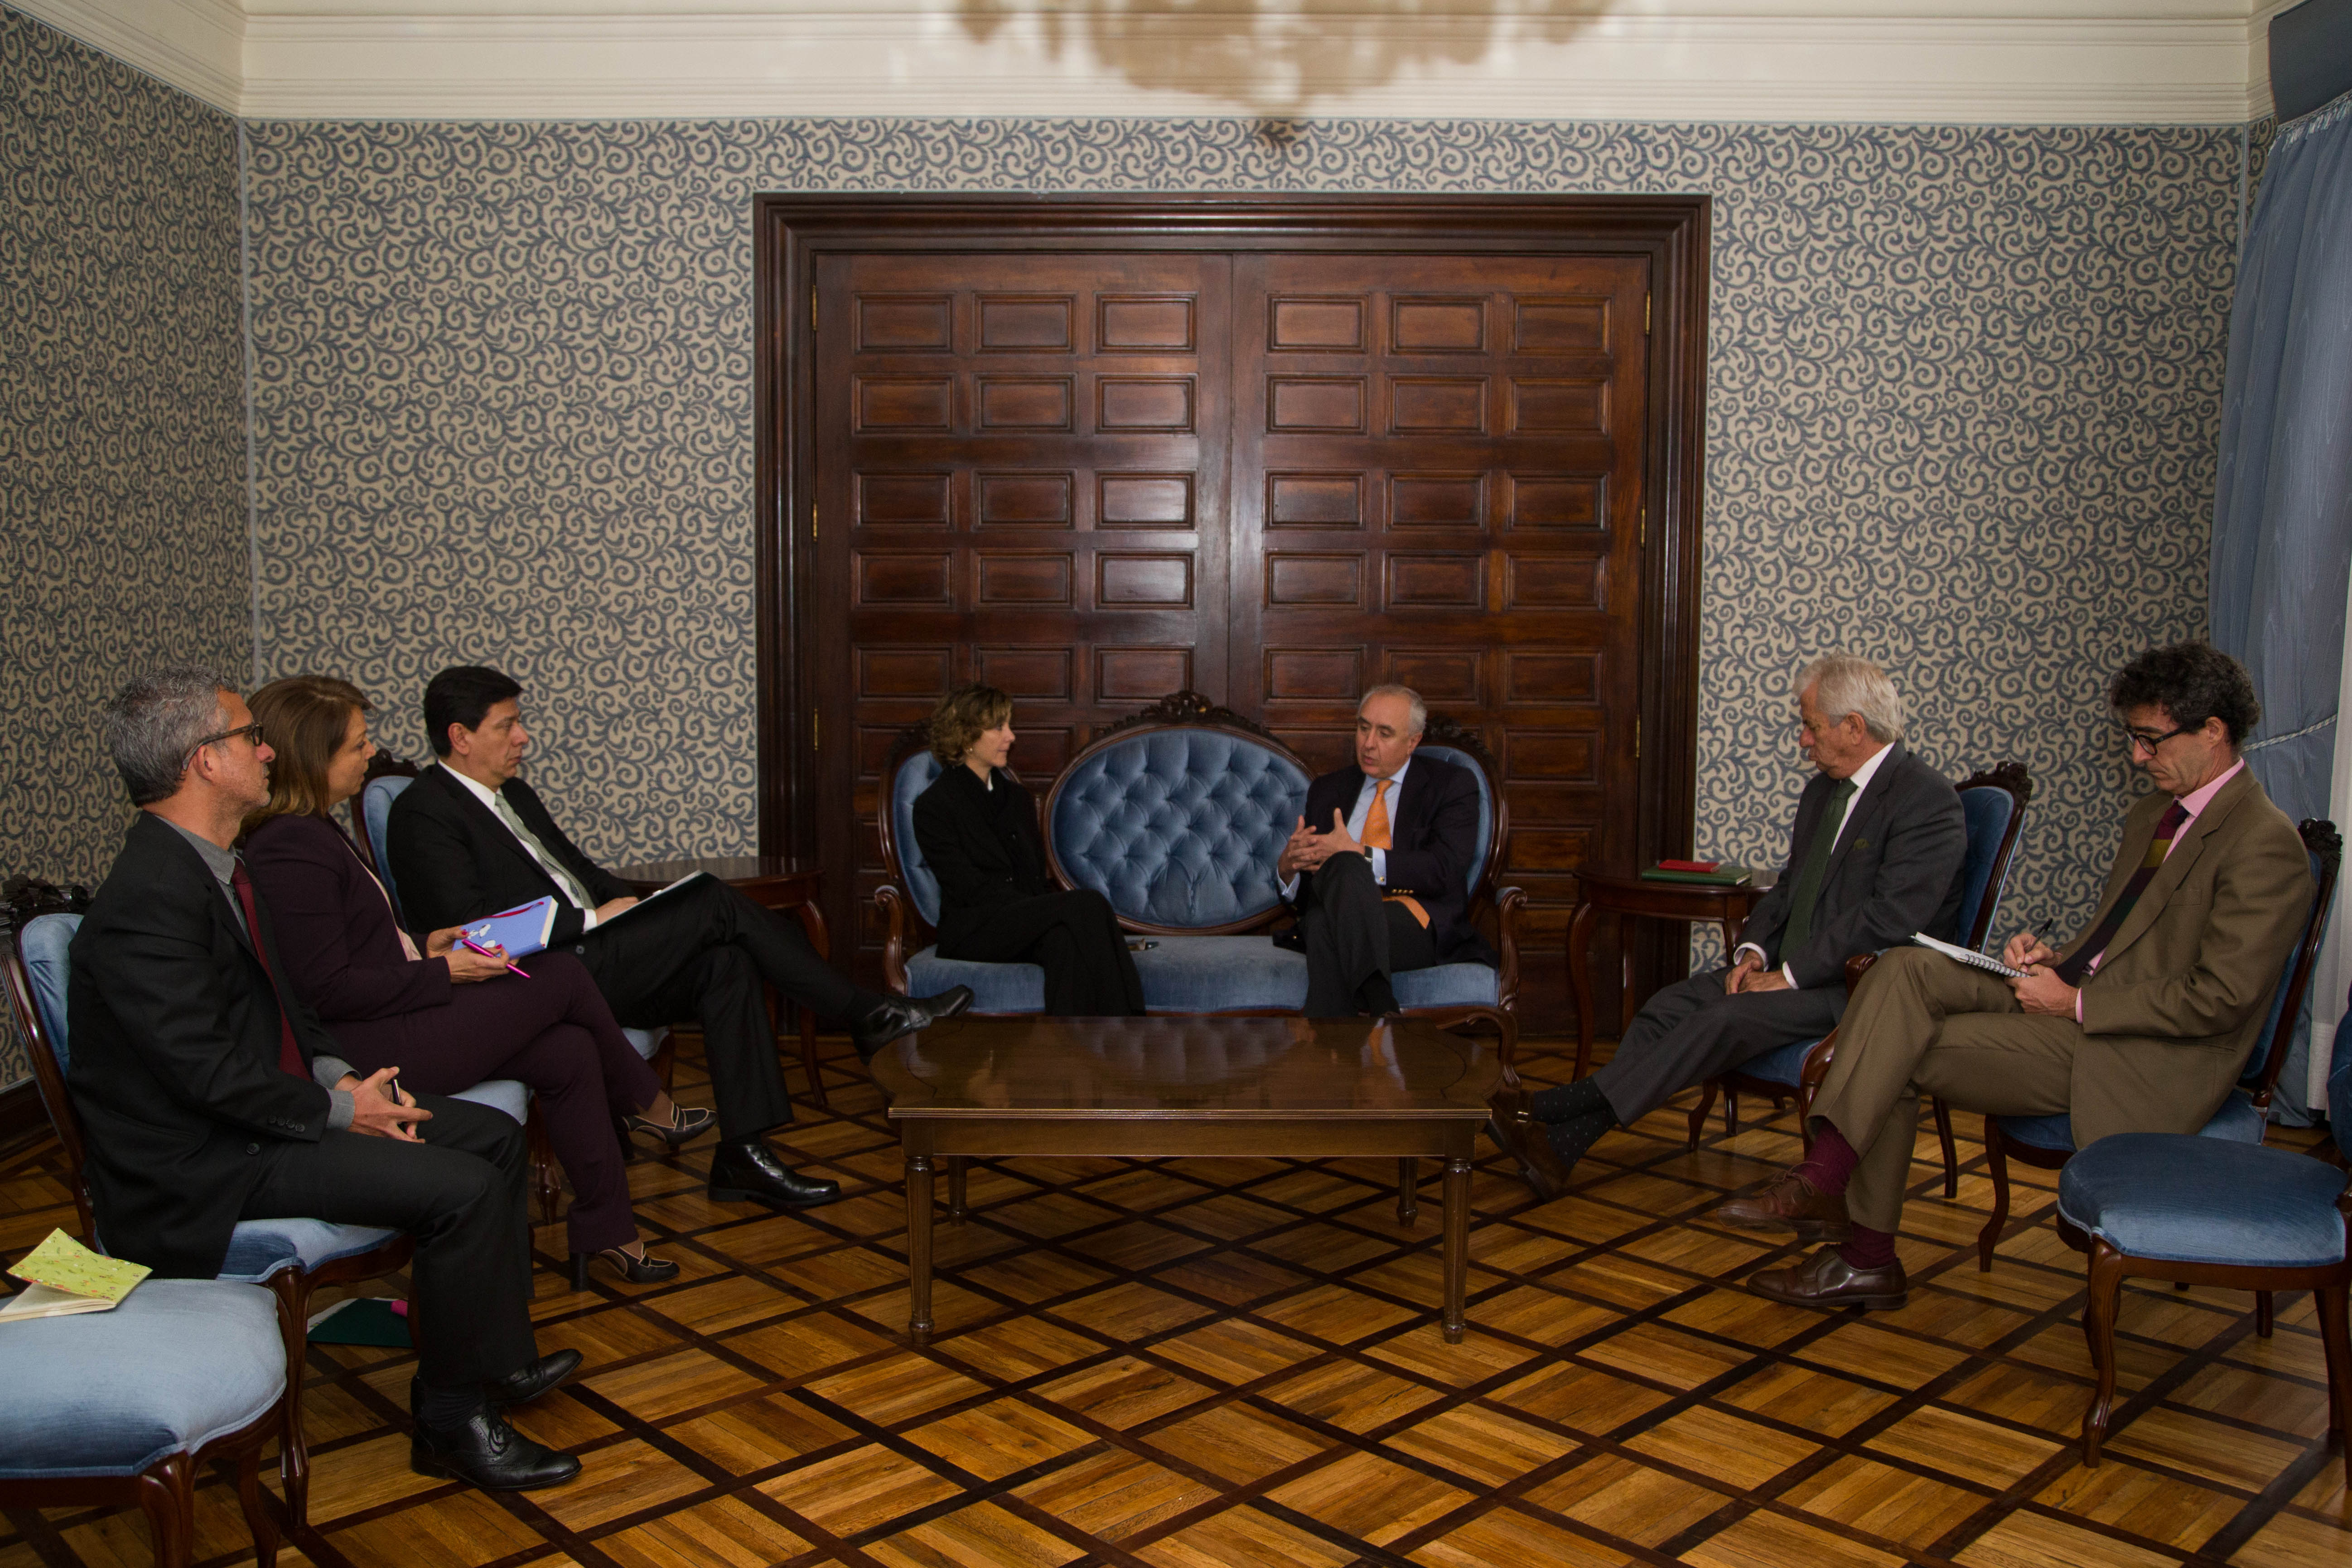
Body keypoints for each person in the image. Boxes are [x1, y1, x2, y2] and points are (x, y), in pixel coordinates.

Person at [69, 667, 581, 1491]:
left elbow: (293, 1008)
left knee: (491, 1134)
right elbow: (204, 1075)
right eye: (247, 735)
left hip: (265, 1118)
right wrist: (340, 1110)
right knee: (462, 1189)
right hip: (206, 1163)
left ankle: (495, 1359)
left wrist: (345, 1080)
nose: (266, 748)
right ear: (205, 760)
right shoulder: (147, 900)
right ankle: (451, 1423)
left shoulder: (220, 865)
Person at [1719, 641, 2313, 1311]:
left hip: (2137, 1054)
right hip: (2082, 1005)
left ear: (2213, 731)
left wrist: (2076, 1002)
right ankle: (1830, 1188)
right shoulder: (2154, 814)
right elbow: (2129, 938)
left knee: (1899, 1048)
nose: (2136, 757)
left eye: (2150, 740)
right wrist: (2053, 959)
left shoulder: (2262, 844)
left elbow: (2220, 999)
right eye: (2133, 739)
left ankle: (1858, 1242)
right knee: (1905, 967)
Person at [385, 666, 971, 1212]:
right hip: (540, 978)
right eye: (507, 725)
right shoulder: (424, 813)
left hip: (593, 956)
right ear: (460, 736)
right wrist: (591, 921)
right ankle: (866, 1014)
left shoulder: (514, 794)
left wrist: (643, 908)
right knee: (713, 898)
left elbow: (583, 876)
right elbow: (475, 934)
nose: (524, 737)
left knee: (727, 960)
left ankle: (743, 1154)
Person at [243, 675, 705, 1287]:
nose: (368, 754)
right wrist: (442, 970)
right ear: (313, 755)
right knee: (562, 973)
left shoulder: (317, 830)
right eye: (356, 746)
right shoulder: (289, 848)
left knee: (565, 1050)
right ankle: (649, 1104)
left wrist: (426, 946)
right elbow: (325, 990)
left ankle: (609, 1231)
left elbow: (356, 946)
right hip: (374, 1048)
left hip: (397, 1014)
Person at [1488, 654, 1968, 1198]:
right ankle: (1561, 1148)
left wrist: (1787, 975)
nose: (1803, 741)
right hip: (1787, 971)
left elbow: (1889, 919)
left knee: (1723, 1016)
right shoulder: (1821, 793)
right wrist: (1754, 954)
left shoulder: (1926, 801)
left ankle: (1555, 1107)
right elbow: (1788, 887)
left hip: (1857, 988)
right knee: (1665, 1007)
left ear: (1853, 727)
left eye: (1810, 725)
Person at [912, 685, 1144, 1016]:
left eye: (1008, 726)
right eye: (999, 727)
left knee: (1064, 941)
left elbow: (1033, 876)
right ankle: (1132, 1027)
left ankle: (1069, 1055)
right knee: (1087, 903)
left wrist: (1043, 912)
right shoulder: (934, 806)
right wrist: (1043, 910)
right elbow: (968, 889)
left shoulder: (1017, 798)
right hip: (975, 930)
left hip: (1022, 920)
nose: (1011, 736)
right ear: (966, 737)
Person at [1277, 685, 1496, 1018]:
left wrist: (1360, 854)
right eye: (1363, 727)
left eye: (1385, 733)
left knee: (1328, 915)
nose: (1368, 743)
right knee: (1325, 911)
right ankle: (1379, 1007)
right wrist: (1288, 869)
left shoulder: (1450, 784)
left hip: (1414, 920)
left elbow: (1443, 869)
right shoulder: (1328, 790)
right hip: (1342, 913)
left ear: (1413, 741)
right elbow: (1311, 893)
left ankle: (1332, 1053)